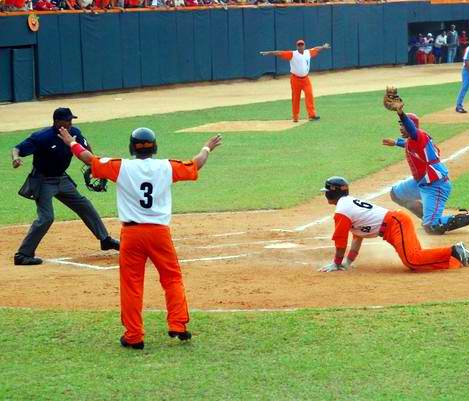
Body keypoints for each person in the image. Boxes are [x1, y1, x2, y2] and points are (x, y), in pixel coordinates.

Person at [57, 126, 222, 350]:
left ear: (131, 148)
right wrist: (206, 147)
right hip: (159, 234)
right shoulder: (166, 166)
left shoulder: (122, 167)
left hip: (132, 235)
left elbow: (88, 159)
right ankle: (178, 326)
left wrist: (71, 143)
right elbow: (196, 164)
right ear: (154, 147)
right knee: (171, 278)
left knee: (131, 285)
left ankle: (134, 336)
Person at [11, 108, 119, 266]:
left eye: (71, 120)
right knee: (46, 217)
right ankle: (23, 254)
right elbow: (17, 148)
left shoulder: (74, 132)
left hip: (62, 179)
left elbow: (86, 151)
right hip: (43, 180)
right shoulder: (43, 137)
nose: (70, 123)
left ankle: (105, 240)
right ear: (57, 122)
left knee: (84, 205)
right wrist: (16, 158)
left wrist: (95, 167)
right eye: (67, 120)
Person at [317, 176, 469, 273]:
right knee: (416, 258)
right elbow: (357, 238)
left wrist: (337, 262)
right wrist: (347, 262)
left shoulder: (342, 210)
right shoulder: (348, 204)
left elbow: (340, 242)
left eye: (327, 191)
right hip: (396, 224)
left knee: (412, 261)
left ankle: (455, 251)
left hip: (395, 225)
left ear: (332, 192)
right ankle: (457, 256)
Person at [381, 102, 469, 235]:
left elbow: (412, 132)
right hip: (420, 182)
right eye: (400, 125)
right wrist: (396, 142)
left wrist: (400, 113)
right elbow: (408, 143)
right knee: (396, 195)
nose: (401, 128)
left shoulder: (418, 135)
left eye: (403, 125)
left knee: (432, 227)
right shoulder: (414, 140)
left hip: (435, 186)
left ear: (411, 126)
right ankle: (427, 217)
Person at [260, 40, 331, 122]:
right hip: (295, 79)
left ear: (304, 46)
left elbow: (316, 49)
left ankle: (312, 115)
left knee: (309, 95)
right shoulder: (293, 54)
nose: (300, 46)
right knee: (296, 98)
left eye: (302, 45)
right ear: (297, 46)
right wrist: (269, 53)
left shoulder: (308, 52)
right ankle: (295, 116)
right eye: (299, 45)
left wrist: (323, 47)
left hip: (305, 79)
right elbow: (280, 53)